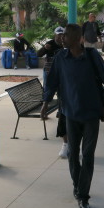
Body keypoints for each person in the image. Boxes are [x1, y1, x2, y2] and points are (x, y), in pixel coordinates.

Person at [41, 24, 104, 208]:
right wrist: (46, 103)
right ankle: (78, 186)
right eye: (62, 35)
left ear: (77, 38)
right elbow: (52, 81)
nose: (62, 38)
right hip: (70, 114)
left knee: (88, 155)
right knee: (73, 155)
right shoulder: (60, 58)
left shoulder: (91, 56)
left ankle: (83, 195)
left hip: (91, 113)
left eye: (65, 35)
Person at [37, 26, 68, 158]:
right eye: (58, 35)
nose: (60, 37)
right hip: (49, 72)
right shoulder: (50, 43)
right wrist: (44, 48)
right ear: (55, 35)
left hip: (62, 74)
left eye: (62, 35)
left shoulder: (66, 44)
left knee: (61, 94)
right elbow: (38, 54)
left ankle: (60, 111)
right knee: (48, 89)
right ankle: (50, 108)